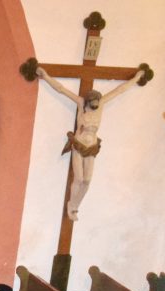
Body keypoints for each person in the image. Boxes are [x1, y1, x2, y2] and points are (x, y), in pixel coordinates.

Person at [35, 64, 148, 220]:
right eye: (92, 105)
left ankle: (76, 206)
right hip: (79, 144)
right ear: (88, 102)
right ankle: (71, 205)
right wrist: (46, 76)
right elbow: (61, 89)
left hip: (92, 146)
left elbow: (120, 90)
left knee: (87, 181)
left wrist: (136, 78)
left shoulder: (101, 104)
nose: (95, 107)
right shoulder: (81, 103)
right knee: (79, 179)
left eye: (96, 105)